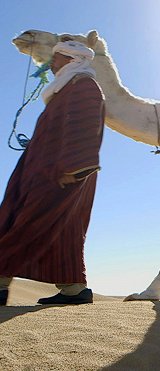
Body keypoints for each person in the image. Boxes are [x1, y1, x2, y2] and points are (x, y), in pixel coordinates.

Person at [0, 40, 104, 306]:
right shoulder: (66, 88)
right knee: (63, 227)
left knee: (27, 219)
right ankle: (74, 289)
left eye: (56, 58)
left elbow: (85, 125)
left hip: (62, 171)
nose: (51, 63)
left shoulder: (84, 86)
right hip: (45, 167)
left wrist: (75, 166)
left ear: (71, 60)